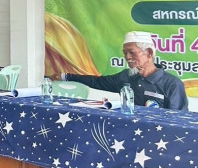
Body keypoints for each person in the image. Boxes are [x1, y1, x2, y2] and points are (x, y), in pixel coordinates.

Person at [55, 31, 188, 110]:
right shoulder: (126, 77)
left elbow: (178, 120)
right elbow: (96, 82)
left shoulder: (172, 84)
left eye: (132, 52)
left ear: (149, 53)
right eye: (125, 53)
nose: (127, 57)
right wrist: (65, 76)